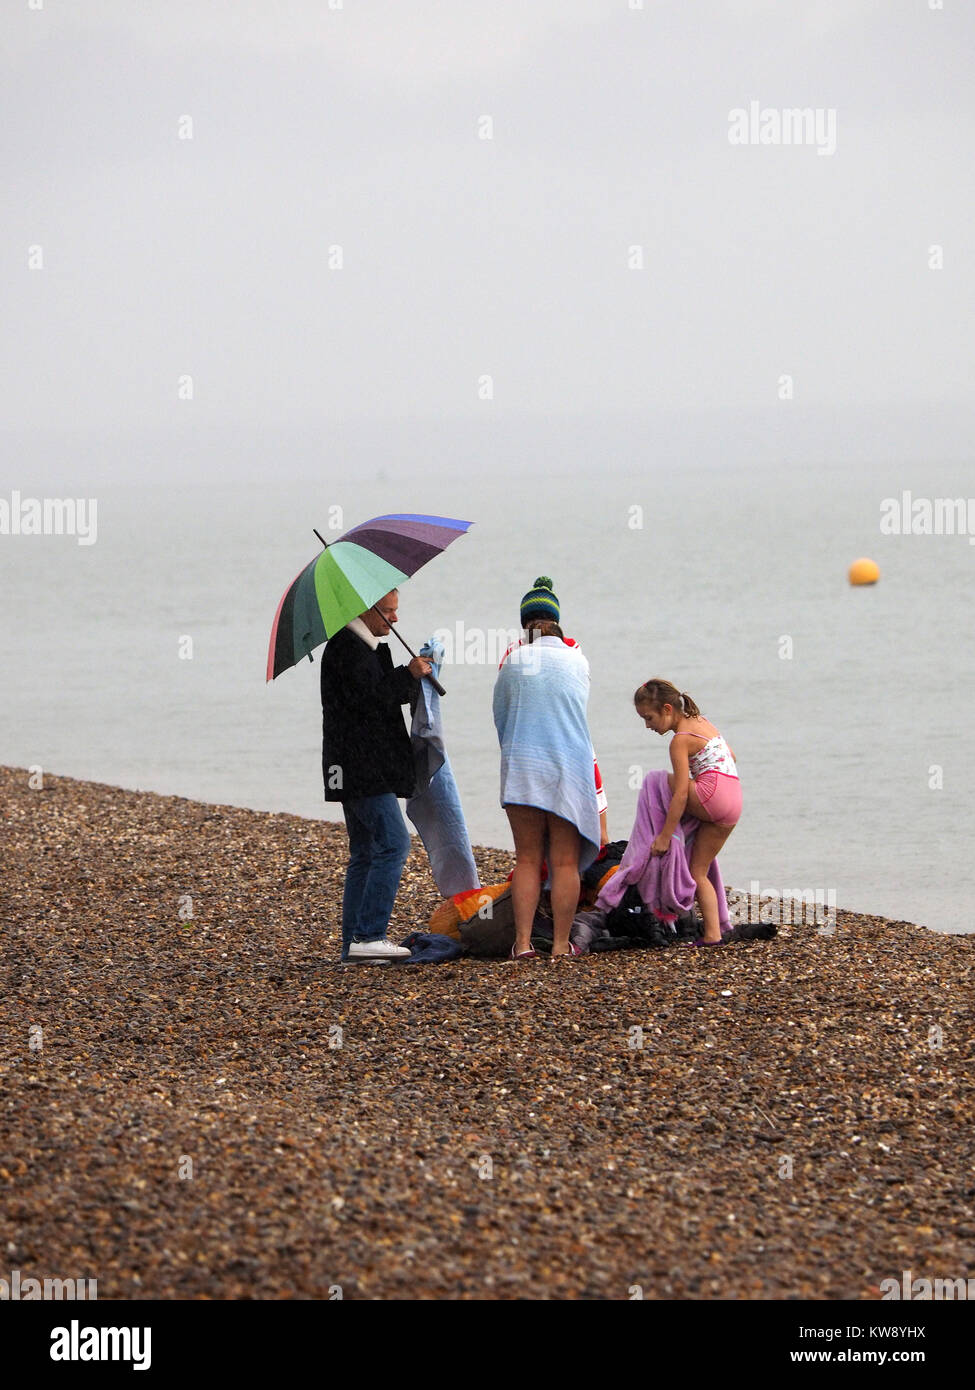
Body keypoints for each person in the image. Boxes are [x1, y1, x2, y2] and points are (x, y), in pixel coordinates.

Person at [321, 589, 432, 962]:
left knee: (366, 852)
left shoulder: (361, 646)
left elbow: (379, 693)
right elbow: (370, 700)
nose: (395, 620)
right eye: (388, 613)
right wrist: (408, 674)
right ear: (367, 610)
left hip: (355, 768)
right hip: (362, 768)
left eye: (395, 612)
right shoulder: (347, 649)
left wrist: (408, 675)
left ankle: (353, 945)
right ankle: (369, 935)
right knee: (394, 844)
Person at [493, 584, 601, 961]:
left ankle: (522, 944)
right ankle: (559, 945)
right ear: (557, 622)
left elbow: (502, 717)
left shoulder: (512, 660)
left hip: (523, 766)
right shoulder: (578, 659)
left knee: (526, 858)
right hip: (569, 767)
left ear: (526, 626)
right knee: (566, 861)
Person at [499, 578, 610, 846]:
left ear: (524, 623)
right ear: (557, 621)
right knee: (596, 836)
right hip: (574, 751)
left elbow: (504, 709)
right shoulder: (573, 649)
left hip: (525, 759)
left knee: (530, 852)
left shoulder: (513, 653)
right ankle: (603, 880)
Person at [634, 678, 741, 945]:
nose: (647, 726)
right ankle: (713, 934)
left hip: (712, 796)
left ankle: (666, 837)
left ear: (667, 709)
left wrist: (665, 836)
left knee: (657, 781)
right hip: (733, 801)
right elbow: (731, 756)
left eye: (649, 718)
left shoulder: (680, 740)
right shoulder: (703, 723)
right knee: (698, 871)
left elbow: (681, 793)